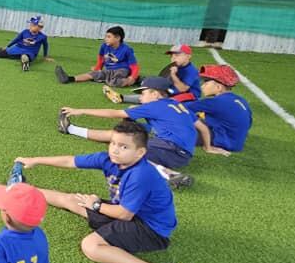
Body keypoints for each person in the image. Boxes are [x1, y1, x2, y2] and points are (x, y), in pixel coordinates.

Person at [14, 120, 199, 263]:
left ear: (140, 153)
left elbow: (124, 215)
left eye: (124, 146)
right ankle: (25, 190)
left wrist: (95, 204)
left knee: (90, 246)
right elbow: (70, 161)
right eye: (113, 143)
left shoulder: (141, 174)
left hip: (151, 230)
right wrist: (34, 160)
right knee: (72, 200)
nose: (115, 150)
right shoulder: (108, 160)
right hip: (129, 213)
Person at [58, 76, 197, 187]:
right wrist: (208, 146)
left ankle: (169, 174)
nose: (140, 98)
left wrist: (80, 110)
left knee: (125, 152)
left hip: (170, 148)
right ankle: (71, 129)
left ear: (155, 94)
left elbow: (114, 113)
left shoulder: (154, 106)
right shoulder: (175, 104)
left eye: (143, 93)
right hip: (182, 153)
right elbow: (200, 125)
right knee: (126, 134)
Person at [184, 65, 253, 155]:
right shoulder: (241, 100)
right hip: (236, 142)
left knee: (175, 127)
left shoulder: (215, 102)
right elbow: (249, 123)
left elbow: (181, 109)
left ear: (218, 87)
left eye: (206, 83)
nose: (202, 86)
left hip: (221, 141)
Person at [104, 44, 199, 104]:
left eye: (177, 55)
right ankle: (123, 94)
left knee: (157, 97)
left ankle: (121, 98)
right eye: (172, 55)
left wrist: (173, 75)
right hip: (172, 91)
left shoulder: (191, 70)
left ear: (188, 56)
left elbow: (183, 89)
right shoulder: (175, 66)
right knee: (152, 88)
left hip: (188, 97)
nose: (173, 58)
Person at [55, 26, 138, 87]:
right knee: (92, 74)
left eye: (109, 37)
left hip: (121, 70)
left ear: (118, 38)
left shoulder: (127, 49)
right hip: (108, 70)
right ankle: (68, 78)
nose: (105, 39)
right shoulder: (104, 46)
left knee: (113, 81)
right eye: (106, 36)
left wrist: (132, 77)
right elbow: (101, 59)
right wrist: (97, 68)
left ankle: (136, 80)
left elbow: (134, 66)